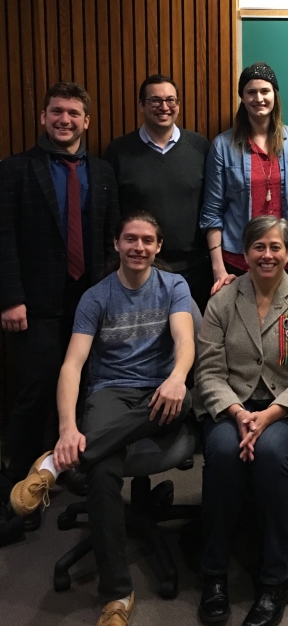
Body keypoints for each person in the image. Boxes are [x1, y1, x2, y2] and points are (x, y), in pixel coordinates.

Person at [9, 210, 195, 626]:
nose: (139, 247)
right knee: (103, 468)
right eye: (131, 239)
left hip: (160, 391)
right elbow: (73, 365)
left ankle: (55, 466)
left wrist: (178, 376)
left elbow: (185, 339)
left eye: (148, 240)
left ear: (159, 246)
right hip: (110, 392)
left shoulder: (174, 286)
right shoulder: (96, 296)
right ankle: (117, 596)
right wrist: (67, 429)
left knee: (183, 402)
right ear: (116, 244)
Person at [194, 215, 288, 626]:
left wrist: (267, 416)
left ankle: (274, 579)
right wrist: (238, 414)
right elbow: (208, 373)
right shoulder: (222, 300)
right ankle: (214, 574)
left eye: (276, 247)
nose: (267, 255)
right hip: (230, 405)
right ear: (246, 253)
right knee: (221, 450)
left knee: (271, 453)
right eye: (259, 247)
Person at [0, 82, 120, 528]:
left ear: (86, 121)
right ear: (43, 117)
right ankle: (20, 483)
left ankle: (71, 467)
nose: (64, 120)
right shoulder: (14, 170)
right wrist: (11, 298)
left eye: (73, 113)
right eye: (56, 112)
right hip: (33, 304)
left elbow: (112, 243)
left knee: (89, 386)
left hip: (89, 301)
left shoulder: (103, 172)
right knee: (35, 390)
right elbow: (4, 238)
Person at [104, 74, 212, 311]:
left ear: (178, 105)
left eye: (170, 100)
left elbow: (212, 205)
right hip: (140, 269)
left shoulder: (200, 147)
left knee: (192, 339)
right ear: (141, 105)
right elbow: (111, 213)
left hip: (194, 270)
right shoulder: (118, 151)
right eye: (155, 100)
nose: (164, 107)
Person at [200, 62, 288, 296]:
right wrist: (218, 269)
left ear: (274, 95)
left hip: (286, 257)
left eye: (265, 91)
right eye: (251, 92)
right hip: (238, 259)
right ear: (242, 98)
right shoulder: (223, 146)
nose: (259, 98)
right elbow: (212, 212)